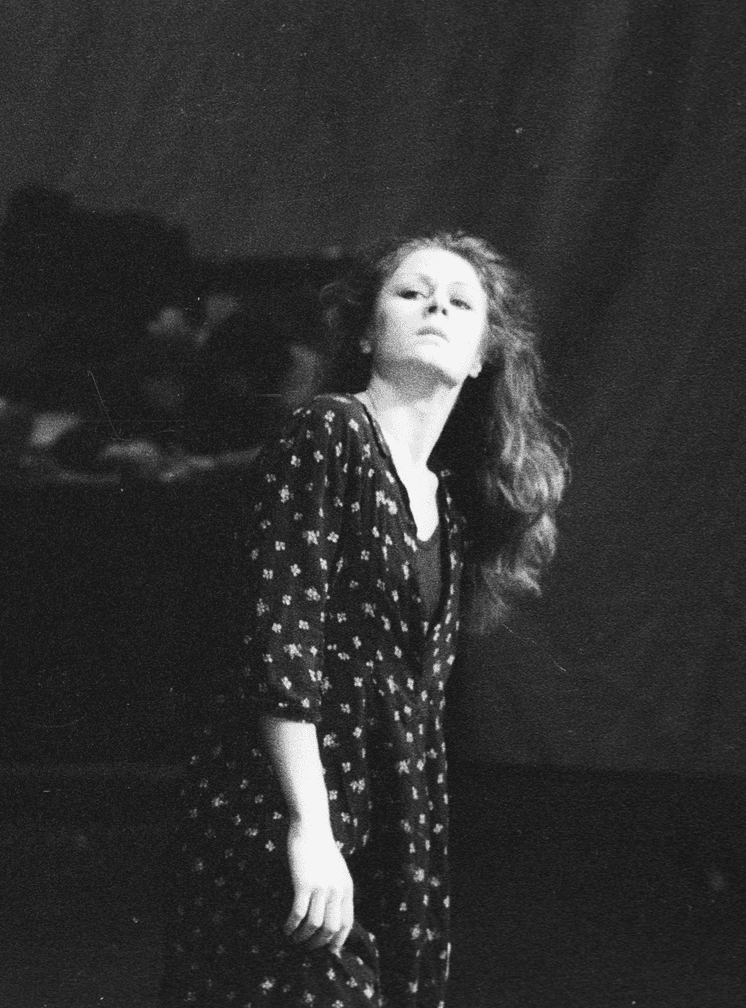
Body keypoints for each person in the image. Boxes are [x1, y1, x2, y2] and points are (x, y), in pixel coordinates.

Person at [160, 232, 568, 1007]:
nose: (437, 306)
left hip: (395, 828)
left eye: (460, 300)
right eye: (412, 293)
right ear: (367, 332)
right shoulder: (331, 432)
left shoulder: (445, 499)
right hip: (293, 807)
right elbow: (282, 643)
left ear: (484, 351)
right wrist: (310, 827)